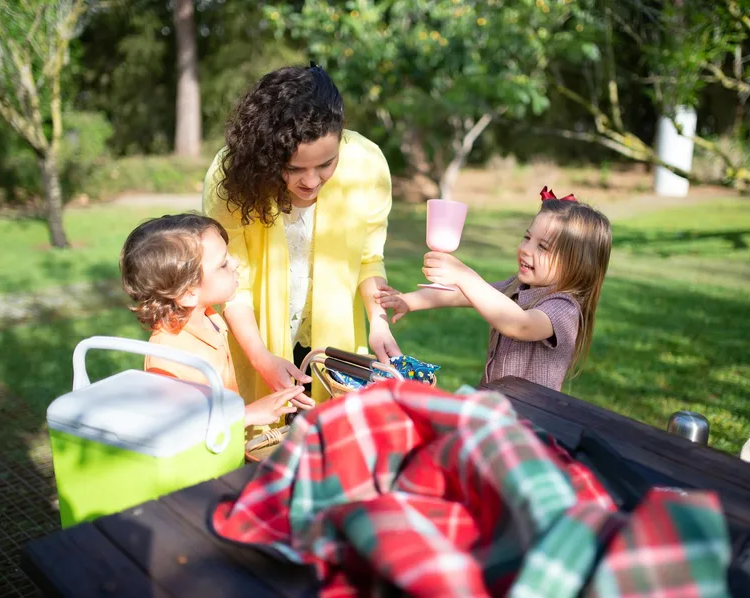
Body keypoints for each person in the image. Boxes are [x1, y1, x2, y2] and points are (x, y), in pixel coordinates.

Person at [202, 63, 401, 405]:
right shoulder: (230, 176)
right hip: (256, 343)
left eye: (326, 164)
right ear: (266, 156)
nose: (311, 181)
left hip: (333, 348)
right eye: (293, 169)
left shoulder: (367, 164)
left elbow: (369, 259)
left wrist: (379, 323)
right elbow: (235, 286)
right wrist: (262, 359)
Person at [376, 188, 612, 391]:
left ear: (577, 264)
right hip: (496, 406)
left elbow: (520, 324)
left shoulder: (564, 308)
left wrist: (465, 276)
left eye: (542, 247)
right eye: (527, 237)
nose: (526, 249)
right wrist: (409, 301)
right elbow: (461, 294)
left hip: (532, 417)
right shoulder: (517, 286)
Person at [119, 214, 315, 430]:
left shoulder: (209, 317)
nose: (236, 263)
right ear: (187, 293)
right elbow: (181, 428)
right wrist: (249, 414)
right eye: (223, 264)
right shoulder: (169, 355)